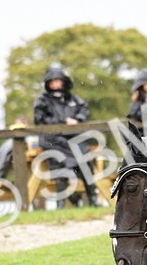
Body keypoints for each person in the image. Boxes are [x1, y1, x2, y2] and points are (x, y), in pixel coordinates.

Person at [32, 63, 100, 207]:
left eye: (58, 80)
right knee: (59, 164)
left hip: (74, 139)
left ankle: (92, 198)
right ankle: (61, 203)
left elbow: (83, 109)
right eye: (53, 81)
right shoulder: (42, 100)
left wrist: (78, 120)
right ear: (48, 83)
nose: (56, 84)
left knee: (85, 160)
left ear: (63, 81)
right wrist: (62, 122)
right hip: (53, 140)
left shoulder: (73, 99)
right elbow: (40, 119)